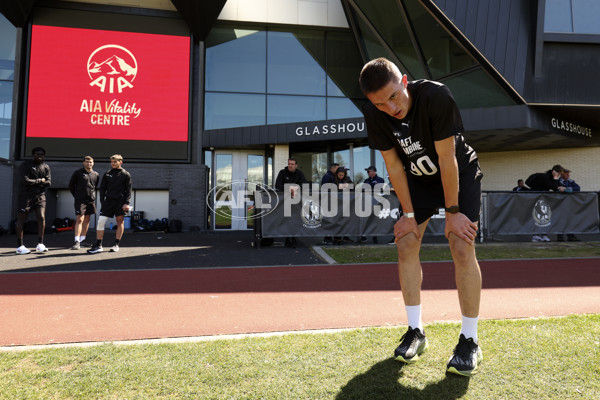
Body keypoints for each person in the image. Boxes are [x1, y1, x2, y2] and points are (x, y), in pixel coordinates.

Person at [359, 57, 483, 376]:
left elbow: (446, 157)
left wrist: (453, 212)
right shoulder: (376, 114)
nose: (390, 108)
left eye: (393, 97)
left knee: (460, 244)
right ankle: (416, 331)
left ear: (404, 81)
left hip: (457, 171)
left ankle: (470, 340)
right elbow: (394, 166)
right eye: (380, 103)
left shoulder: (436, 96)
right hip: (418, 179)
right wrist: (409, 215)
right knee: (406, 242)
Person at [88, 154, 132, 254]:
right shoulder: (107, 174)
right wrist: (103, 201)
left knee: (120, 221)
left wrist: (126, 203)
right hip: (108, 201)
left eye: (115, 162)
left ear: (120, 162)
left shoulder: (126, 174)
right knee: (100, 221)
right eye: (111, 162)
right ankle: (98, 245)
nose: (112, 164)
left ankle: (116, 244)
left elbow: (129, 190)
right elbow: (102, 188)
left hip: (120, 202)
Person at [15, 147, 51, 255]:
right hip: (26, 196)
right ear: (33, 154)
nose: (40, 156)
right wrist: (41, 180)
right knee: (21, 219)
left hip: (40, 196)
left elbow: (49, 182)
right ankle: (20, 246)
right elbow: (25, 181)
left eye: (42, 154)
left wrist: (37, 182)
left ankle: (40, 244)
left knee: (41, 217)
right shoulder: (25, 165)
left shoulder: (46, 166)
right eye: (37, 154)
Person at [525, 165, 566, 242]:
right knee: (537, 217)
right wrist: (557, 184)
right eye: (559, 173)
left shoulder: (551, 177)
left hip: (543, 199)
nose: (559, 175)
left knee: (545, 217)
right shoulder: (546, 177)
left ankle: (544, 235)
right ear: (555, 171)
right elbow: (552, 186)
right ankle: (535, 235)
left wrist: (563, 187)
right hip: (536, 198)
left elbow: (557, 185)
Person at [275, 158, 308, 248]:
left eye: (292, 164)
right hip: (284, 201)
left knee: (295, 220)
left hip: (297, 201)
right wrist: (288, 188)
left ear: (296, 165)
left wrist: (296, 187)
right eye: (289, 164)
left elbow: (305, 184)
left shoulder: (299, 173)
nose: (290, 165)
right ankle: (287, 239)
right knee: (286, 219)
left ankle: (293, 238)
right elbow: (277, 185)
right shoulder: (282, 172)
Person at [69, 156, 100, 250]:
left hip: (90, 200)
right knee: (80, 219)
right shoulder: (78, 173)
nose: (89, 164)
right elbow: (71, 185)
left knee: (87, 220)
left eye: (90, 162)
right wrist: (77, 196)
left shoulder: (96, 174)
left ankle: (83, 241)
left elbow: (95, 186)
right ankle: (77, 242)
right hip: (80, 200)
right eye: (87, 162)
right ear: (83, 163)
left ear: (93, 163)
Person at [557, 168, 581, 242]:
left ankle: (571, 236)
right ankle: (560, 237)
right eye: (566, 173)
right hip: (561, 204)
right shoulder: (558, 181)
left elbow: (578, 188)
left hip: (570, 203)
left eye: (568, 173)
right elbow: (558, 189)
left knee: (570, 220)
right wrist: (568, 190)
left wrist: (566, 189)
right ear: (562, 174)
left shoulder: (571, 181)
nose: (568, 174)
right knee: (561, 220)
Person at [333, 167, 353, 245]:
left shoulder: (347, 179)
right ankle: (336, 237)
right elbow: (329, 188)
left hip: (345, 202)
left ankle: (345, 236)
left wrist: (347, 185)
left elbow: (352, 187)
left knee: (345, 220)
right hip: (335, 202)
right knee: (336, 220)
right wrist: (341, 186)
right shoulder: (333, 179)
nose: (341, 176)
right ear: (337, 174)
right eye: (339, 175)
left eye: (342, 175)